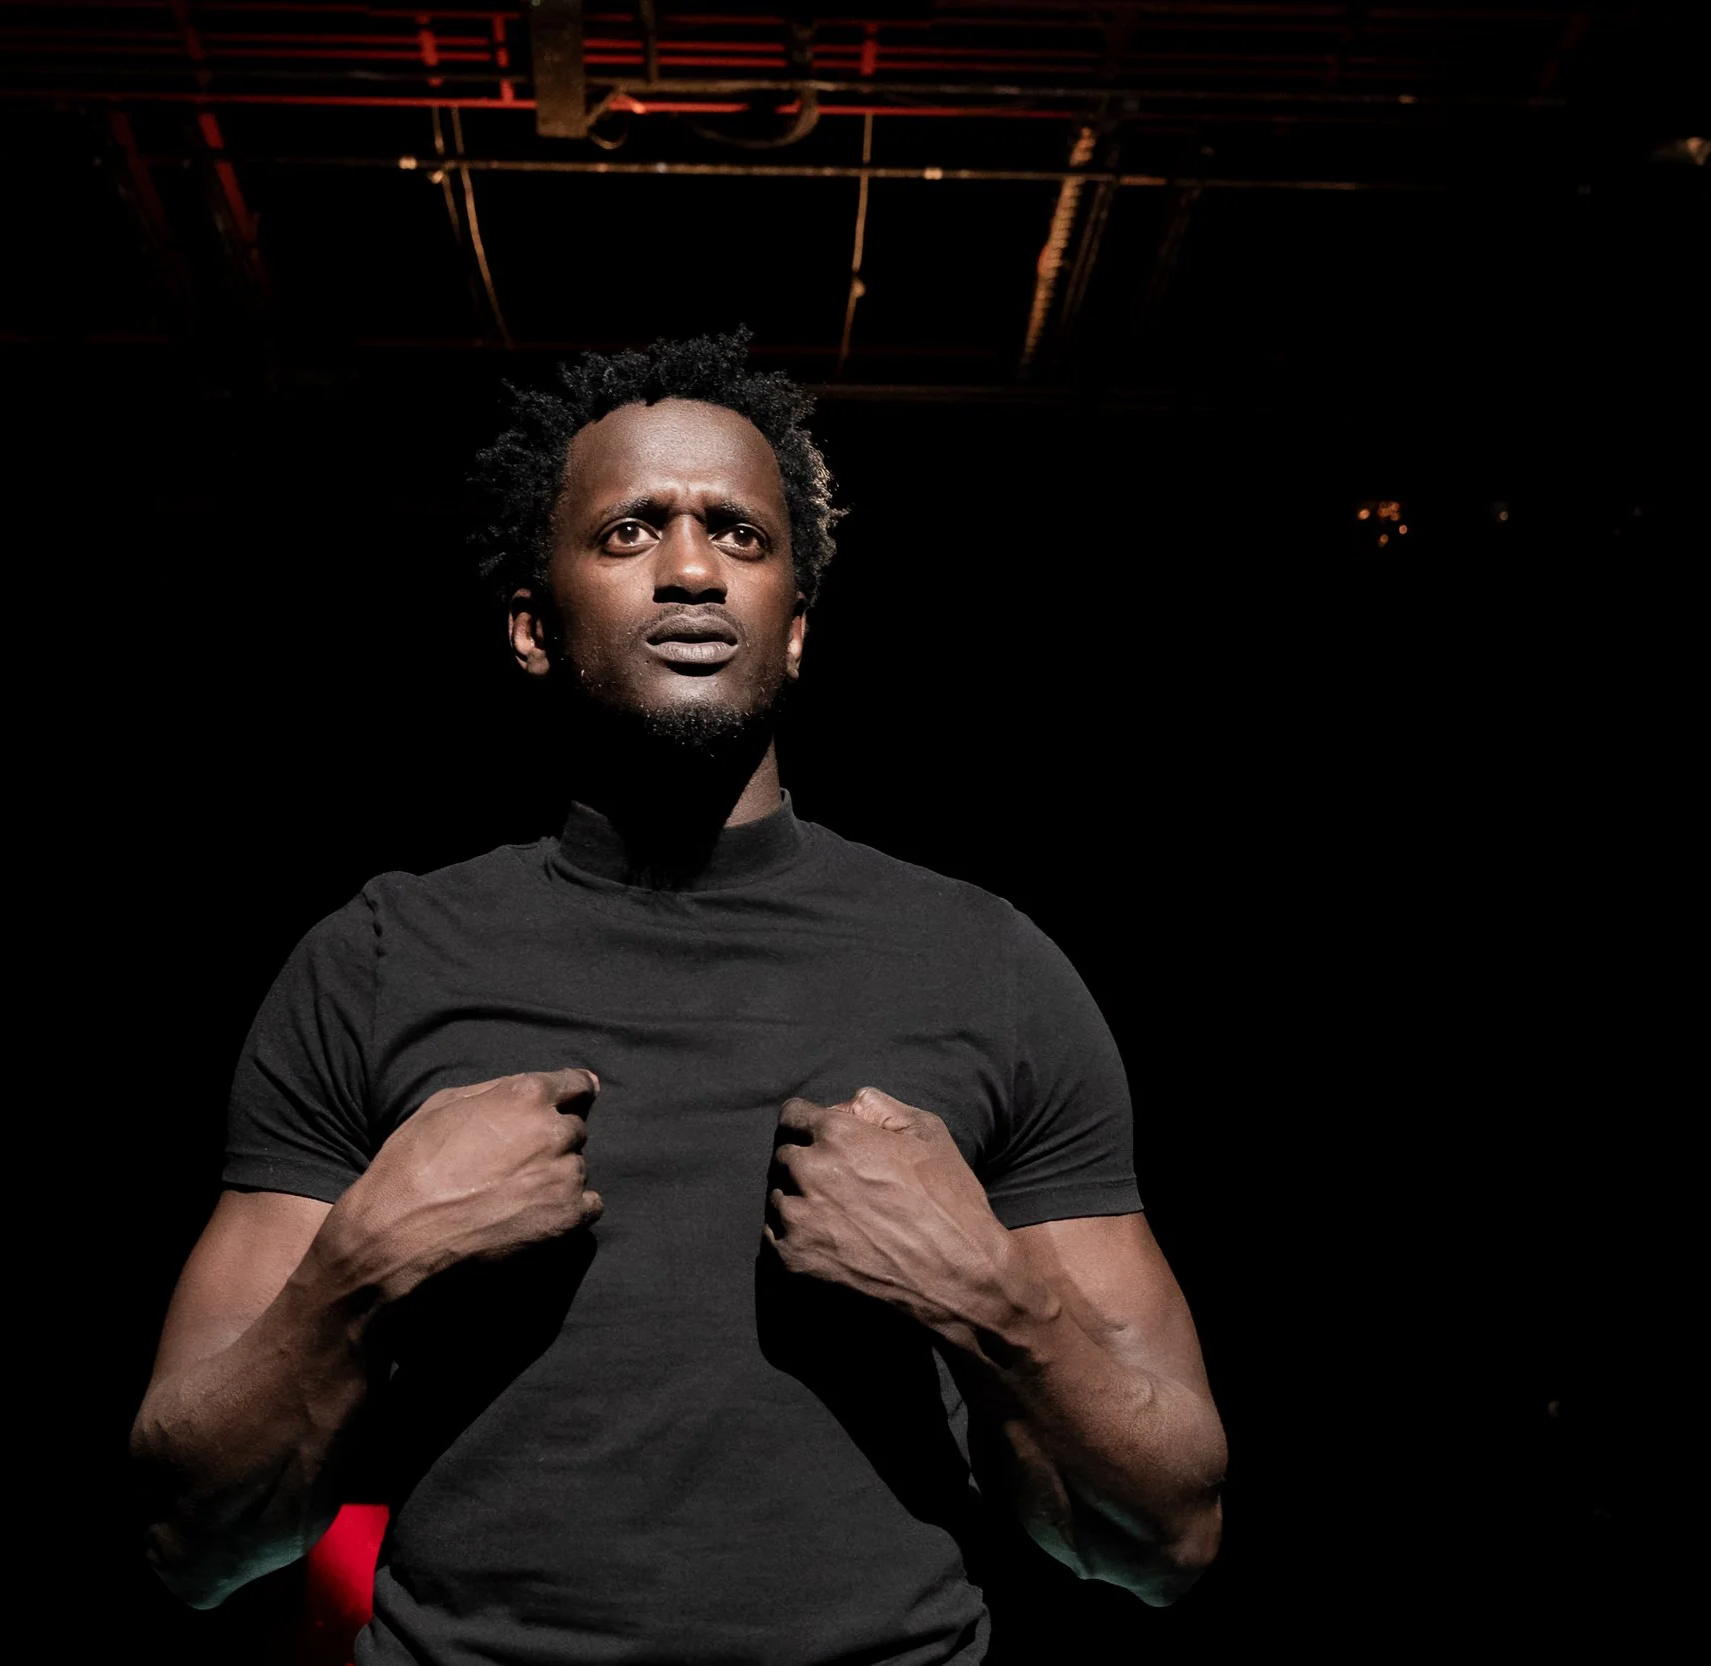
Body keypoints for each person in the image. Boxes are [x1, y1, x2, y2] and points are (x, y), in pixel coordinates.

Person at [130, 330, 1226, 1666]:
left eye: (740, 536)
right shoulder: (375, 958)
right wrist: (361, 1270)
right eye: (631, 529)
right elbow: (194, 1543)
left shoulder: (987, 963)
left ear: (800, 625)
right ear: (534, 625)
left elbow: (1165, 1539)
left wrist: (990, 1296)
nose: (694, 567)